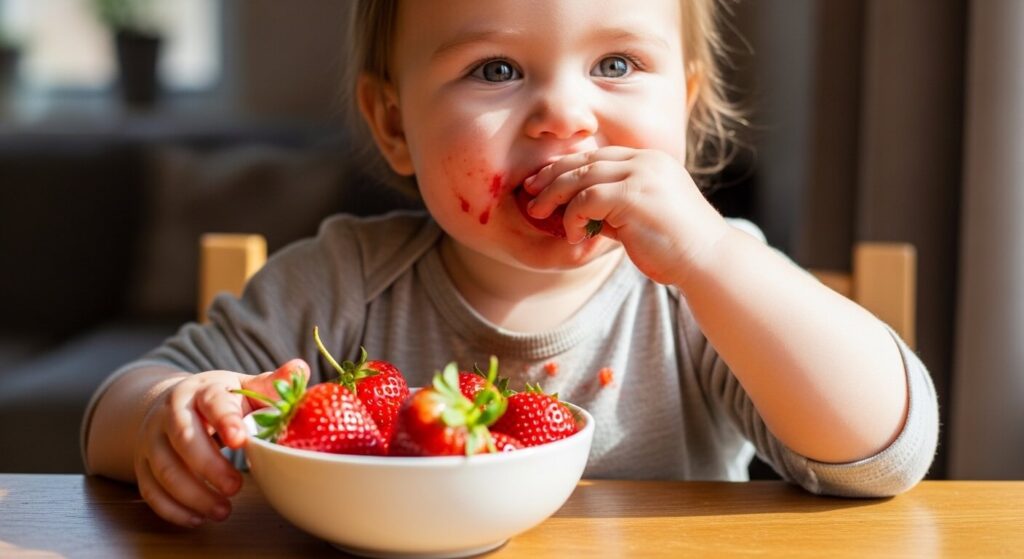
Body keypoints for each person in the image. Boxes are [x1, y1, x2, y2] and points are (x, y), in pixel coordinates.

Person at [82, 0, 939, 528]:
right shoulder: (337, 283)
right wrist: (170, 412)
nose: (565, 115)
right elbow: (108, 416)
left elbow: (885, 458)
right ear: (393, 123)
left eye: (616, 64)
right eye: (495, 69)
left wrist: (715, 255)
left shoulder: (704, 293)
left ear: (681, 100)